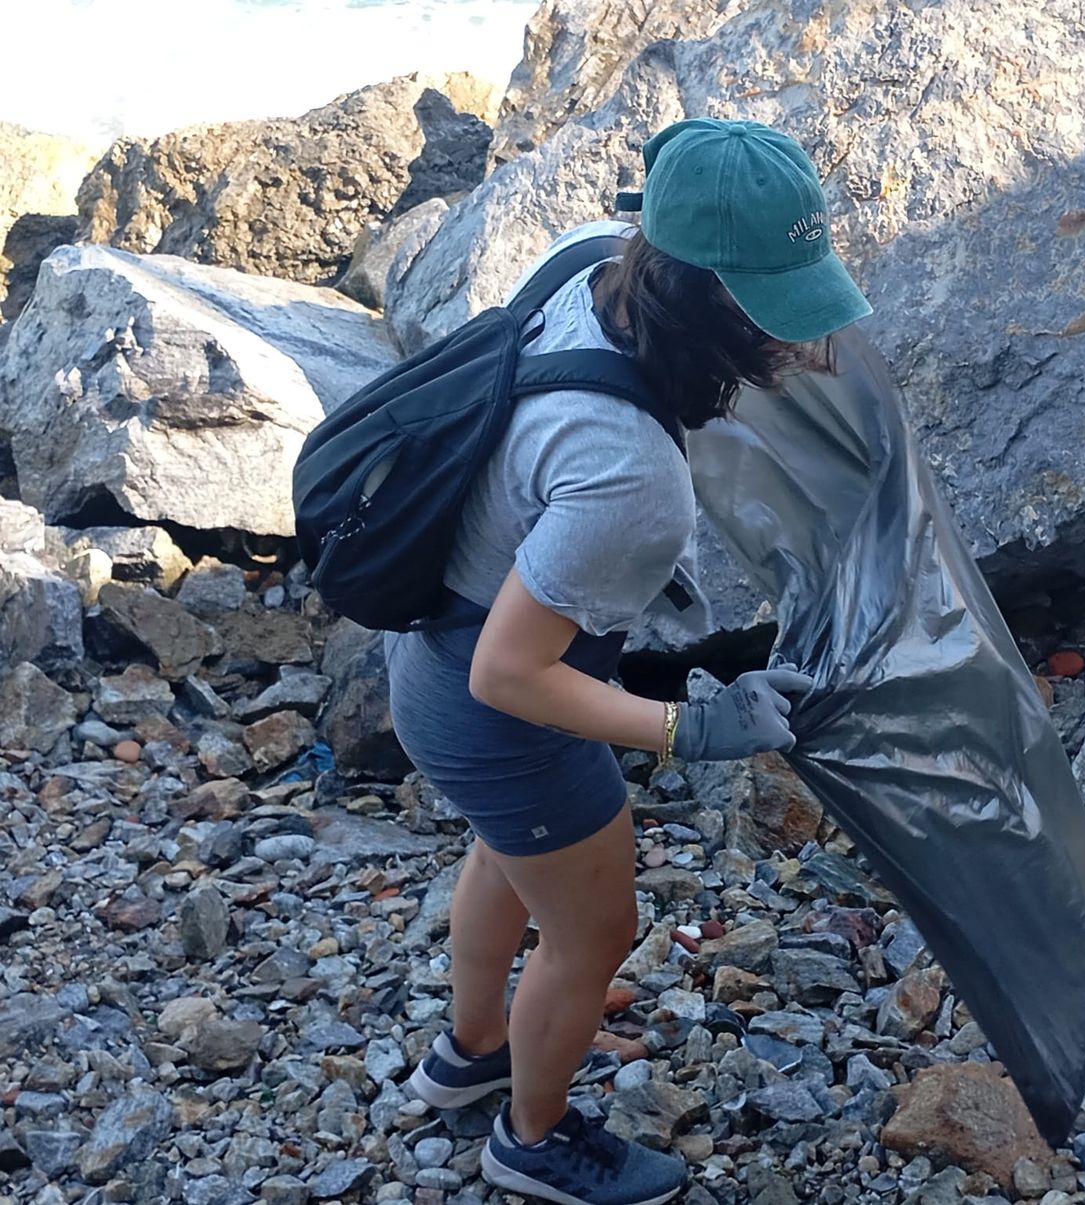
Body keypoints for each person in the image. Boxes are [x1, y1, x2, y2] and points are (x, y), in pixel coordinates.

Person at [383, 117, 872, 1205]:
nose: (804, 345)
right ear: (702, 298)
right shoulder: (632, 477)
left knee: (507, 854)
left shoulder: (588, 259)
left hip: (423, 646)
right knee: (597, 926)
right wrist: (692, 727)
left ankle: (470, 1054)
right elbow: (512, 673)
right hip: (493, 704)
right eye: (775, 316)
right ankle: (533, 1137)